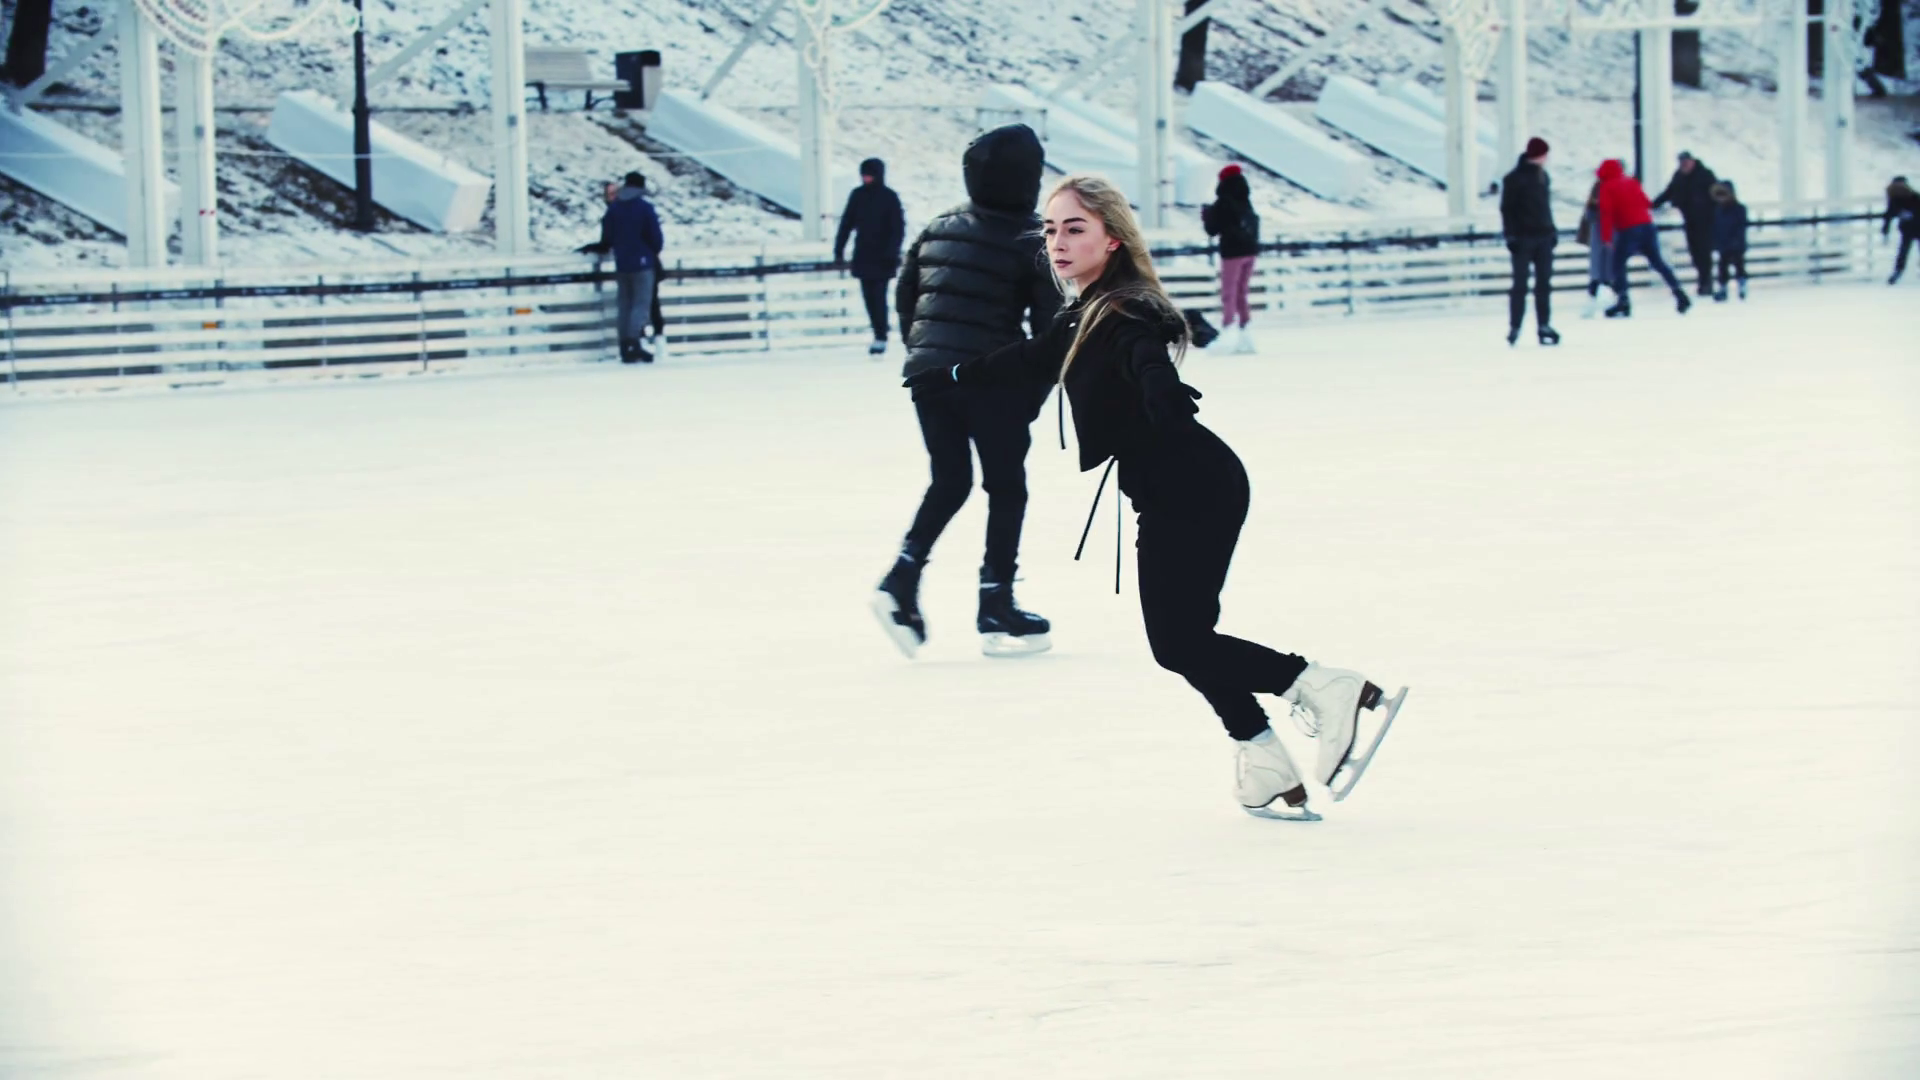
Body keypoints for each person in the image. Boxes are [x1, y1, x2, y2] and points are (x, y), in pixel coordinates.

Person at [905, 175, 1407, 821]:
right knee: (1190, 639)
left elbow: (1147, 357)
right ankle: (1265, 762)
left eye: (1075, 228)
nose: (1057, 242)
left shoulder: (1127, 309)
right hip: (1180, 487)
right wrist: (950, 376)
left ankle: (1323, 687)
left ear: (1112, 238)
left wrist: (1161, 393)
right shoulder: (1086, 312)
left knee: (1179, 644)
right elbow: (1030, 360)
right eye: (1051, 229)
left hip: (1191, 486)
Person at [873, 124, 1062, 660]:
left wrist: (926, 354)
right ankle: (995, 601)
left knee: (950, 479)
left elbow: (907, 294)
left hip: (930, 375)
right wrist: (1031, 395)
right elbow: (1051, 332)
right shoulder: (1034, 238)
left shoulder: (940, 226)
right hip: (989, 377)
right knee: (1007, 488)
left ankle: (901, 579)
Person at [579, 172, 665, 363]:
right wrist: (650, 253)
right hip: (642, 262)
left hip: (622, 262)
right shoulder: (644, 208)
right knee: (641, 304)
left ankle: (624, 345)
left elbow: (607, 238)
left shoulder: (614, 209)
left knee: (625, 303)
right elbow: (656, 239)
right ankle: (634, 342)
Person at [1595, 158, 1690, 319]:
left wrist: (1607, 237)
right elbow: (1646, 202)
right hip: (1647, 226)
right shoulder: (1631, 182)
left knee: (1618, 265)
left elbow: (1606, 214)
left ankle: (1623, 300)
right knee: (1658, 262)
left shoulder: (1606, 187)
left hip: (1628, 229)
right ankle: (1679, 292)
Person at [834, 157, 907, 356]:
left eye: (869, 175)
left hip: (883, 257)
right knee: (868, 297)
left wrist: (891, 252)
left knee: (879, 296)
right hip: (863, 255)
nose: (866, 178)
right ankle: (878, 332)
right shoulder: (857, 196)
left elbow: (898, 228)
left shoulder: (889, 197)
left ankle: (881, 335)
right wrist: (838, 249)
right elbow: (847, 223)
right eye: (864, 175)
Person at [1498, 136, 1560, 346]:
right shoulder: (1514, 179)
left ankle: (1544, 324)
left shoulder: (1543, 177)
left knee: (1543, 283)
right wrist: (1511, 235)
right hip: (1524, 238)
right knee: (1520, 284)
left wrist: (1552, 231)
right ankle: (1515, 325)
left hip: (1543, 236)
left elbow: (1545, 207)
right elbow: (1507, 209)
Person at [1200, 164, 1260, 354]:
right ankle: (1245, 330)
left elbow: (1212, 229)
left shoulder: (1224, 202)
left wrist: (1207, 216)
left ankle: (1228, 331)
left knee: (1229, 292)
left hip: (1232, 252)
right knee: (1242, 292)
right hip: (1250, 250)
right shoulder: (1246, 200)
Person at [1651, 150, 1720, 296]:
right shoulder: (1679, 176)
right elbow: (1669, 192)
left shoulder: (1705, 175)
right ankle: (1703, 280)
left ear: (1692, 161)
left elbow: (1716, 193)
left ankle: (1706, 282)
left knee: (1704, 252)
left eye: (1686, 162)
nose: (1684, 165)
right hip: (1689, 220)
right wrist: (1653, 204)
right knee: (1694, 252)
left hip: (1706, 220)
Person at [1575, 179, 1613, 318]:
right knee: (1608, 271)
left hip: (1602, 233)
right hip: (1609, 234)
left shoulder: (1599, 185)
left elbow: (1590, 212)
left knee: (1599, 272)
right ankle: (1619, 300)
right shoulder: (1608, 185)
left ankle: (1593, 303)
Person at [1709, 180, 1749, 302]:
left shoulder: (1739, 209)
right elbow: (1716, 227)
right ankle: (1723, 289)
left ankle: (1742, 287)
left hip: (1736, 243)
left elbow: (1741, 226)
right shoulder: (1718, 210)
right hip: (1723, 243)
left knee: (1739, 265)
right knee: (1722, 267)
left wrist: (1737, 240)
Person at [1883, 175, 1920, 285]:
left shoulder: (1894, 197)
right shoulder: (1913, 195)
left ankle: (1898, 271)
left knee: (1903, 251)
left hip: (1907, 228)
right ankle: (1898, 271)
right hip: (1912, 227)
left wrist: (1885, 229)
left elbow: (1889, 214)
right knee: (1904, 251)